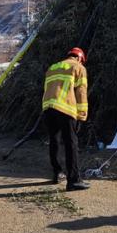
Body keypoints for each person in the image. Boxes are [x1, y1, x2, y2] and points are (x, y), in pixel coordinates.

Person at [42, 47, 90, 191]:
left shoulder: (53, 67)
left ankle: (57, 173)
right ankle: (74, 181)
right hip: (66, 108)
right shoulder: (79, 67)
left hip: (48, 108)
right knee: (71, 144)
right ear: (80, 58)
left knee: (54, 141)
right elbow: (81, 92)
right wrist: (82, 115)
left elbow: (47, 88)